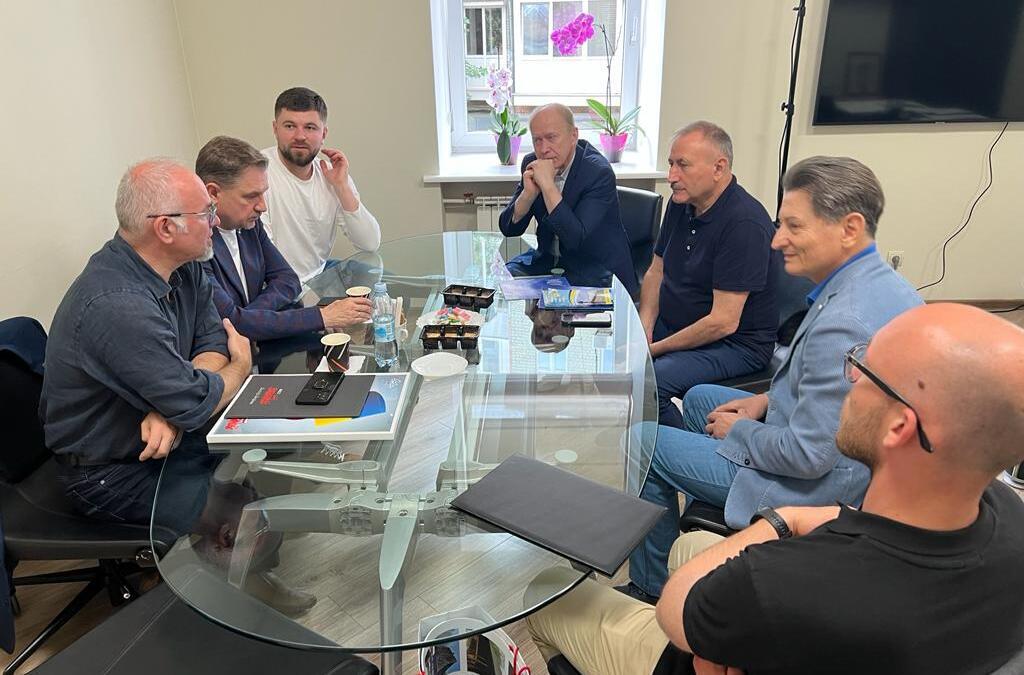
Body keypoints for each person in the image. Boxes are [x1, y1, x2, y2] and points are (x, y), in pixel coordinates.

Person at [525, 302, 1024, 675]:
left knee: (545, 590)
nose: (849, 379)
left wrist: (784, 518)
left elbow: (677, 608)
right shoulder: (1006, 514)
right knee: (685, 547)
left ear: (900, 426)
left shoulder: (783, 582)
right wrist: (818, 518)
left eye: (865, 370)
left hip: (688, 646)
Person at [623, 156, 923, 602]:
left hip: (813, 487)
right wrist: (762, 402)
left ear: (850, 228)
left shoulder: (844, 323)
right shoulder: (882, 285)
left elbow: (809, 456)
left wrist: (740, 433)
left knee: (642, 440)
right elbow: (829, 397)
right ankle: (700, 494)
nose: (777, 239)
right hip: (831, 450)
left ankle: (651, 588)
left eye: (793, 227)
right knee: (703, 397)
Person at [41, 158, 251, 525]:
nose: (216, 221)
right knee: (237, 513)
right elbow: (195, 398)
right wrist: (240, 367)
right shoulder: (116, 304)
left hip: (165, 443)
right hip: (107, 473)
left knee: (257, 467)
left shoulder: (185, 264)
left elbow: (213, 339)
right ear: (166, 228)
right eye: (206, 212)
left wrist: (173, 408)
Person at [638, 122, 779, 428]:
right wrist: (644, 327)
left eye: (683, 165)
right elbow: (656, 270)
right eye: (671, 164)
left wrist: (654, 349)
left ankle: (680, 448)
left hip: (735, 345)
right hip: (679, 325)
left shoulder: (744, 224)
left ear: (719, 168)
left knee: (650, 381)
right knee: (617, 347)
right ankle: (638, 435)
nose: (671, 176)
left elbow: (723, 322)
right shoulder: (682, 202)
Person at [195, 135, 371, 341]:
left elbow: (288, 280)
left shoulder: (249, 225)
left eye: (263, 194)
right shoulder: (194, 245)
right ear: (213, 193)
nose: (262, 206)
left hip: (259, 341)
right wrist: (322, 316)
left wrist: (249, 317)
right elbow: (233, 323)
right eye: (251, 196)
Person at [498, 103, 639, 296]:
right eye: (537, 140)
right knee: (500, 282)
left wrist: (548, 186)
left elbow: (574, 238)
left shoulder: (598, 173)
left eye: (551, 137)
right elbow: (508, 229)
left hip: (596, 270)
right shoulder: (532, 163)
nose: (544, 149)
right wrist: (528, 195)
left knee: (559, 308)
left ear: (574, 136)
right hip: (550, 262)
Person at [262, 86, 381, 284]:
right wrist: (314, 300)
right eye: (290, 126)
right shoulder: (258, 174)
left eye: (310, 128)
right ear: (275, 129)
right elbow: (265, 260)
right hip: (281, 285)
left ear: (323, 133)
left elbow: (369, 243)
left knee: (386, 283)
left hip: (321, 273)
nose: (300, 136)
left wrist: (342, 186)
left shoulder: (331, 174)